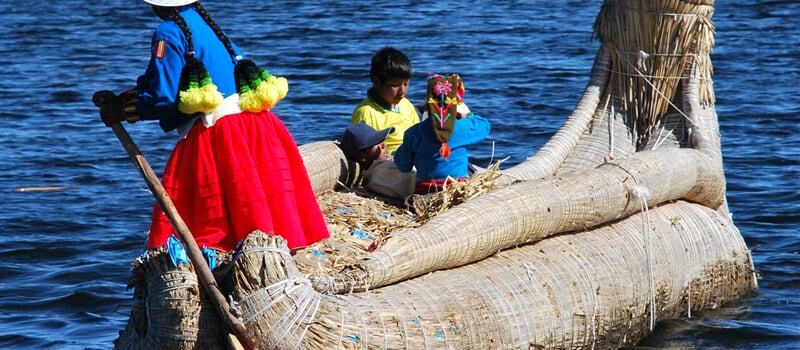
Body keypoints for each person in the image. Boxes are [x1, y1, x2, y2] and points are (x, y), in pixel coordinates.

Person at [92, 0, 329, 253]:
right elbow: (168, 81)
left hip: (220, 132)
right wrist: (125, 98)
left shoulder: (167, 32)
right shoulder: (205, 23)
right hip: (257, 124)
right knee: (260, 203)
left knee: (202, 221)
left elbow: (165, 96)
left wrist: (125, 111)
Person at [394, 73, 491, 194]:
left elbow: (403, 166)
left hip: (425, 190)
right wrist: (467, 115)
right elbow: (485, 125)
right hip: (457, 188)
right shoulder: (464, 127)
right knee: (470, 168)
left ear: (427, 107)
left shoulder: (414, 133)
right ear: (455, 107)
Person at [351, 47, 420, 156]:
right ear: (377, 81)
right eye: (395, 85)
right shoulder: (365, 113)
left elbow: (419, 136)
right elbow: (365, 154)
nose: (402, 91)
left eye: (406, 84)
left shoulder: (406, 105)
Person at [340, 123, 415, 200]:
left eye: (383, 140)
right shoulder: (382, 174)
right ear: (361, 156)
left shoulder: (379, 171)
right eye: (376, 143)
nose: (384, 145)